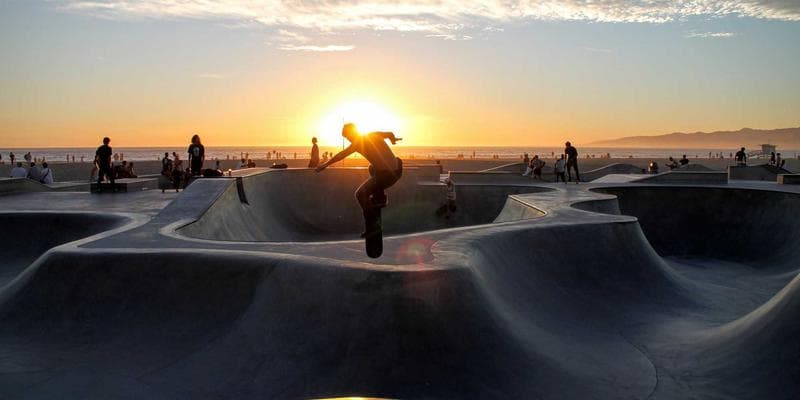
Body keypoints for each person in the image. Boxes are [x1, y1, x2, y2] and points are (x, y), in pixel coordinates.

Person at [315, 123, 403, 236]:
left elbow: (341, 155)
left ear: (353, 133)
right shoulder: (373, 134)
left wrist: (325, 165)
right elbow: (390, 134)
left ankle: (373, 225)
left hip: (387, 176)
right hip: (398, 169)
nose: (350, 140)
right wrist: (392, 139)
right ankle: (380, 196)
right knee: (371, 168)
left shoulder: (356, 144)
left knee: (360, 194)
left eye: (349, 137)